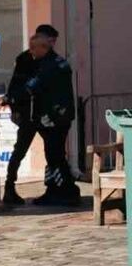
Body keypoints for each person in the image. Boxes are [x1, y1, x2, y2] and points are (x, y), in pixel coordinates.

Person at [25, 27, 78, 206]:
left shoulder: (50, 65)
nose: (31, 51)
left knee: (55, 156)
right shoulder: (52, 62)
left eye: (33, 48)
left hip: (55, 118)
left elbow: (33, 86)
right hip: (54, 117)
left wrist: (11, 97)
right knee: (52, 156)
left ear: (43, 47)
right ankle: (53, 189)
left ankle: (66, 191)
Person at [0, 28, 52, 205]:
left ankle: (53, 187)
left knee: (53, 151)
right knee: (20, 150)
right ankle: (9, 187)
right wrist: (13, 104)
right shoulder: (24, 60)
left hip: (43, 113)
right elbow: (16, 85)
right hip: (28, 113)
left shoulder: (49, 60)